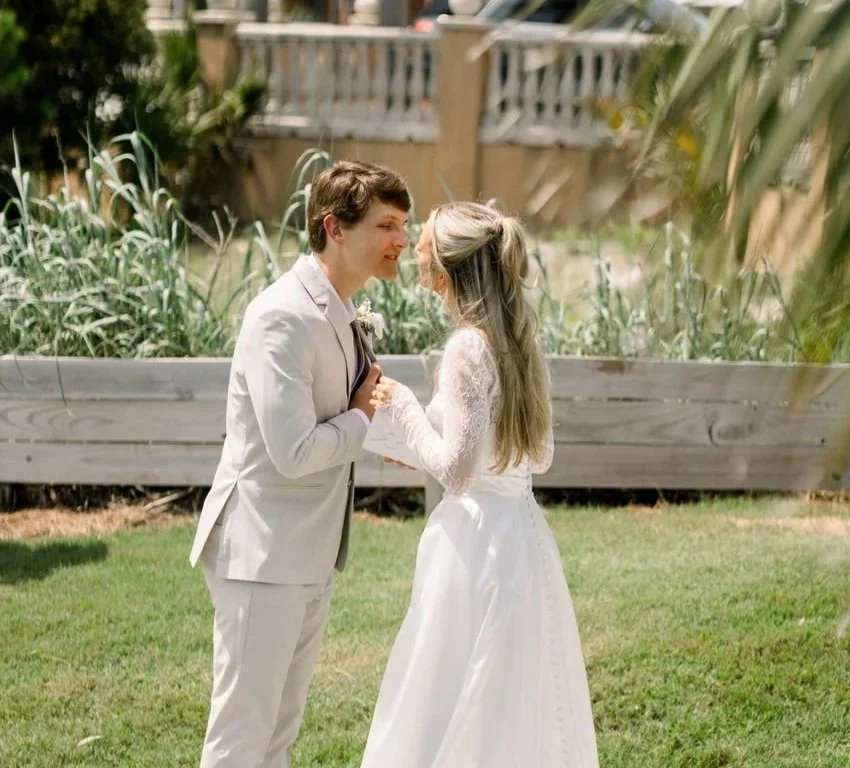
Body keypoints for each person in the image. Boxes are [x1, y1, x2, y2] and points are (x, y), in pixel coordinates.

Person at [187, 160, 411, 768]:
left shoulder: (339, 308)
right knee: (241, 740)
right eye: (387, 225)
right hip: (262, 555)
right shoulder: (282, 316)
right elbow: (294, 452)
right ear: (335, 228)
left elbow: (351, 410)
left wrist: (391, 432)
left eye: (403, 225)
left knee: (277, 739)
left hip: (308, 553)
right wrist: (362, 420)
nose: (401, 239)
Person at [362, 201, 599, 767]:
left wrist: (404, 408)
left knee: (449, 681)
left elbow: (458, 471)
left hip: (473, 545)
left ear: (447, 268)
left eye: (424, 246)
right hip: (522, 533)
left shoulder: (467, 348)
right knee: (514, 688)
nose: (416, 253)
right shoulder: (520, 340)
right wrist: (420, 438)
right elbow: (537, 456)